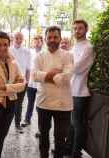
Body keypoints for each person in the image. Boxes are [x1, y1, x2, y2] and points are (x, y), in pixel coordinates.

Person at [33, 26, 73, 158]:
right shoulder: (39, 56)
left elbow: (66, 77)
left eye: (55, 37)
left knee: (60, 138)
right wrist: (55, 74)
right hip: (43, 102)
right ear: (45, 39)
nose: (52, 40)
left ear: (60, 38)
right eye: (49, 37)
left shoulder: (68, 56)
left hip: (64, 105)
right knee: (43, 135)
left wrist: (45, 76)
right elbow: (34, 76)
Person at [0, 31, 25, 158]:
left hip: (11, 103)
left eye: (5, 45)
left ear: (9, 45)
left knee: (2, 137)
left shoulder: (13, 62)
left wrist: (3, 87)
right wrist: (14, 86)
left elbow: (22, 84)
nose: (2, 48)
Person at [69, 19, 94, 158]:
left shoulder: (88, 47)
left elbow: (77, 68)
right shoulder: (75, 46)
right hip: (71, 89)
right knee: (71, 123)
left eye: (80, 28)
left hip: (80, 91)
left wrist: (67, 65)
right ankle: (68, 148)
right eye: (75, 29)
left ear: (86, 30)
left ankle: (76, 152)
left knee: (78, 124)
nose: (77, 31)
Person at [10, 32, 31, 133]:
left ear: (23, 40)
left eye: (20, 38)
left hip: (22, 82)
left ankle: (17, 123)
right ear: (13, 39)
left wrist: (26, 82)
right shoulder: (9, 50)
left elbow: (28, 69)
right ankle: (7, 122)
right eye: (16, 38)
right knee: (9, 103)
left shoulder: (27, 52)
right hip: (10, 82)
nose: (18, 40)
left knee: (19, 104)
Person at [22, 35, 44, 126]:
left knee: (40, 106)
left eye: (38, 41)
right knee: (30, 103)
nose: (37, 43)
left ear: (42, 42)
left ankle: (40, 125)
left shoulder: (44, 53)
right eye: (35, 41)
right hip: (31, 83)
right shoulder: (30, 53)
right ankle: (27, 119)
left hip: (40, 83)